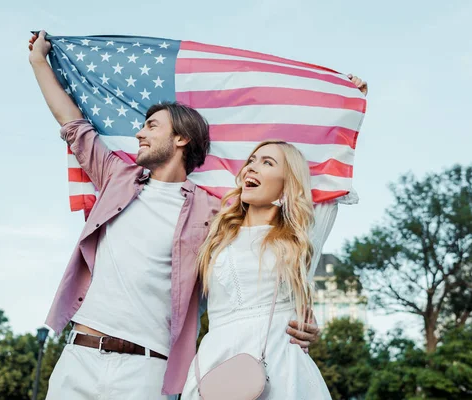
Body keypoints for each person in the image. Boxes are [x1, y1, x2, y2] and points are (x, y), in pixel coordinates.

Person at [27, 31, 324, 399]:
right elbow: (72, 125)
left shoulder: (215, 213)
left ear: (181, 138)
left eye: (152, 126)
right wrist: (39, 62)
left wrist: (300, 322)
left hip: (147, 370)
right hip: (79, 355)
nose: (138, 133)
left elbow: (267, 244)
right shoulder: (117, 178)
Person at [181, 138, 365, 398]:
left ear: (286, 185)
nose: (251, 168)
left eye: (267, 163)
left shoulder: (299, 241)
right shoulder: (214, 235)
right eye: (251, 161)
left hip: (280, 367)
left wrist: (347, 103)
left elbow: (335, 179)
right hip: (217, 366)